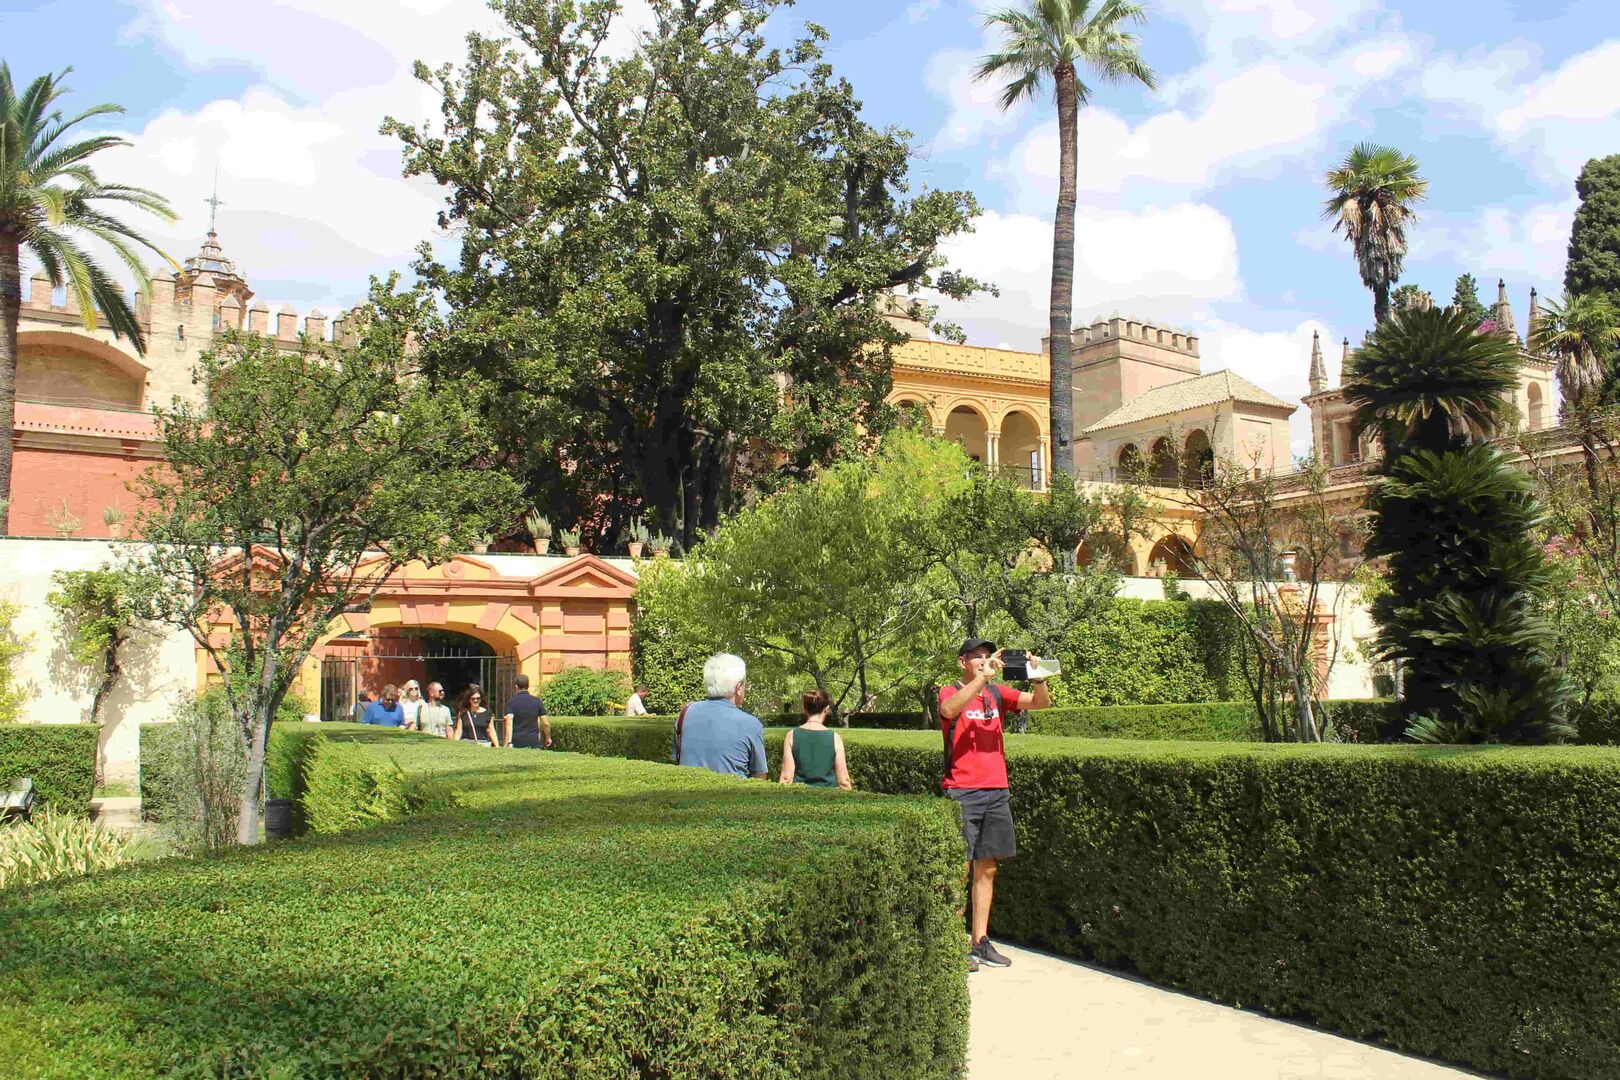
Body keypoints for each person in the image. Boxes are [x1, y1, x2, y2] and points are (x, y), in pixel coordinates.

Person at [939, 638, 1051, 972]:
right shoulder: (950, 690)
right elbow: (948, 710)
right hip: (962, 789)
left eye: (988, 657)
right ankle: (951, 942)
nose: (984, 662)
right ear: (963, 662)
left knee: (986, 868)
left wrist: (1038, 675)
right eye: (977, 658)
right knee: (959, 868)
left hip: (996, 789)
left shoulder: (998, 694)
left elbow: (1041, 703)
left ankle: (980, 940)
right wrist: (982, 678)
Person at [673, 653, 767, 780]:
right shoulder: (751, 724)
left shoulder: (685, 713)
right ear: (738, 688)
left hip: (687, 795)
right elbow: (759, 777)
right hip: (732, 798)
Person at [778, 688, 851, 790]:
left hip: (798, 798)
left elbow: (786, 778)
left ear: (804, 709)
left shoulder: (791, 735)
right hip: (828, 799)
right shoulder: (835, 738)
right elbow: (844, 781)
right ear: (826, 709)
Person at [503, 674, 552, 749]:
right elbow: (545, 723)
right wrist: (548, 737)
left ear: (516, 686)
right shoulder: (537, 701)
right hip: (533, 739)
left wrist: (509, 742)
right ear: (528, 686)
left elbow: (509, 721)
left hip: (517, 740)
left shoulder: (511, 702)